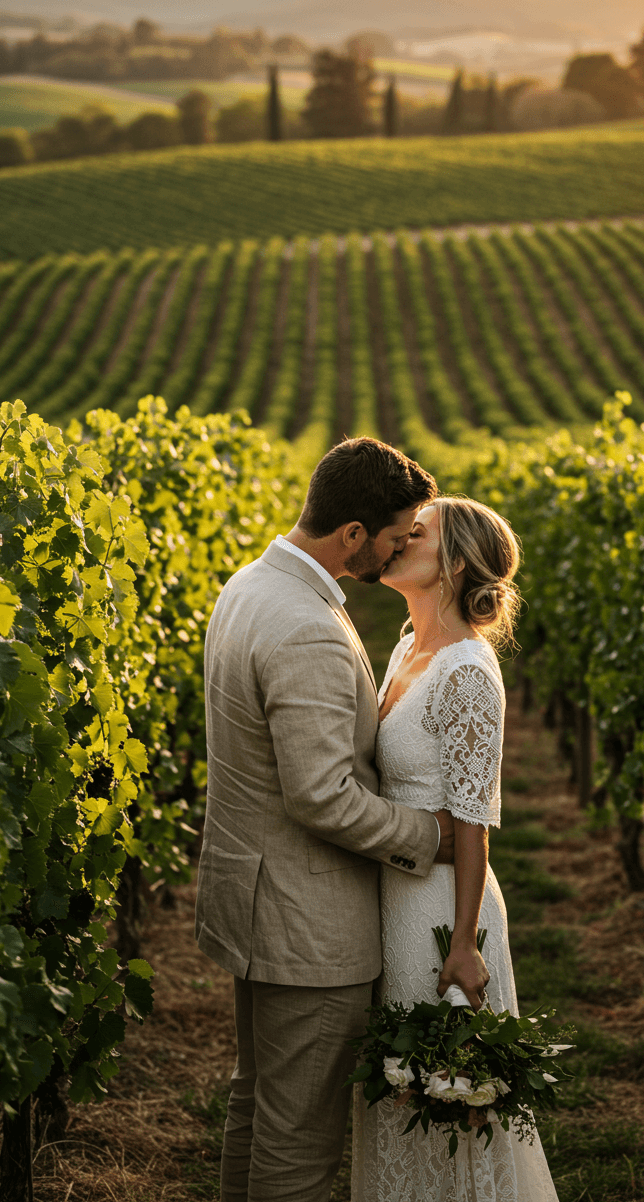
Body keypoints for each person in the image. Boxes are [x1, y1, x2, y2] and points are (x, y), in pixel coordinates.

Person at [195, 437, 458, 1202]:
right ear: (352, 536)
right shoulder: (306, 623)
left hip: (253, 899)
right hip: (304, 924)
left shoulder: (250, 584)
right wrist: (431, 836)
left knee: (259, 1107)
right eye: (397, 533)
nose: (404, 545)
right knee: (300, 1147)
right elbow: (321, 795)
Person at [351, 496, 559, 1202]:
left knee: (444, 1098)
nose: (399, 540)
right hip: (395, 891)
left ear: (456, 563)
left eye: (418, 534)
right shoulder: (409, 646)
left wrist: (464, 941)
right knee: (401, 1092)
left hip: (439, 910)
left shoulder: (467, 669)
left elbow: (474, 824)